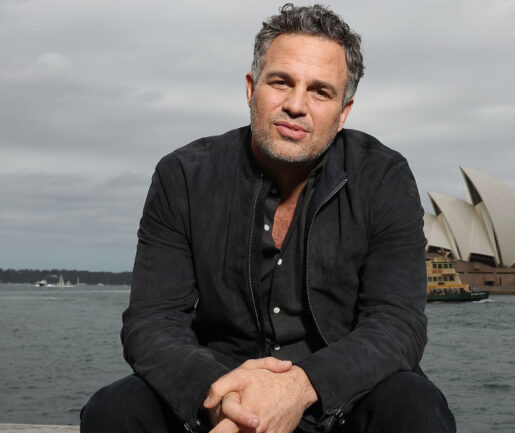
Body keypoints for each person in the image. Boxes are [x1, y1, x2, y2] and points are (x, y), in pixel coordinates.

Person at [80, 4, 455, 433]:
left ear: (344, 111)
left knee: (416, 408)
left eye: (320, 91)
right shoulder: (183, 175)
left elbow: (397, 323)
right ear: (251, 87)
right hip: (219, 393)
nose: (296, 105)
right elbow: (153, 321)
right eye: (281, 82)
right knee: (115, 410)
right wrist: (222, 395)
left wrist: (300, 386)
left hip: (338, 399)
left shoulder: (383, 176)